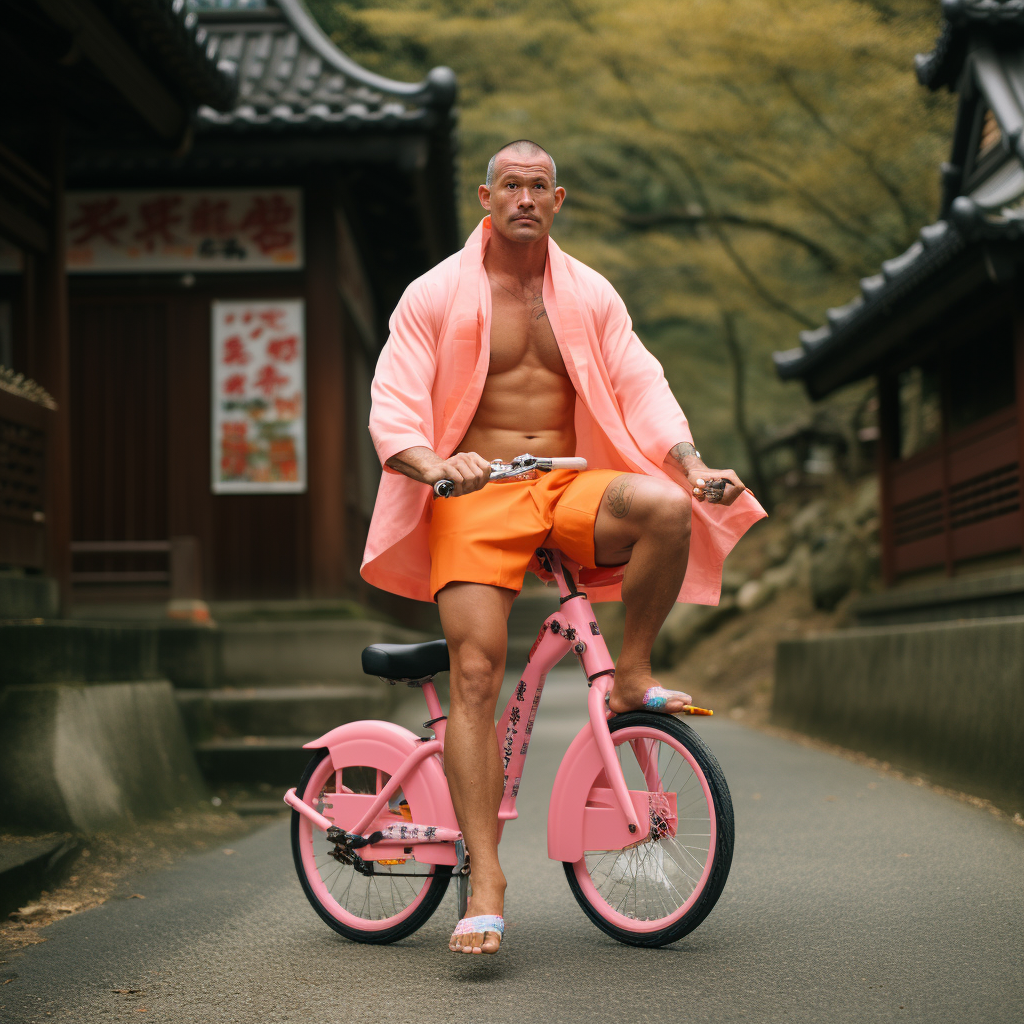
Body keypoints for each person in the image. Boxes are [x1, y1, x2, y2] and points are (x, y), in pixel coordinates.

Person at [363, 140, 766, 955]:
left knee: (659, 507)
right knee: (476, 673)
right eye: (509, 184)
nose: (522, 197)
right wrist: (439, 465)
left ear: (558, 199)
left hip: (565, 481)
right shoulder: (435, 292)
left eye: (537, 186)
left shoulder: (587, 293)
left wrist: (690, 466)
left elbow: (642, 383)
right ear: (485, 195)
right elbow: (392, 405)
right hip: (475, 492)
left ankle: (634, 676)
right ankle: (485, 877)